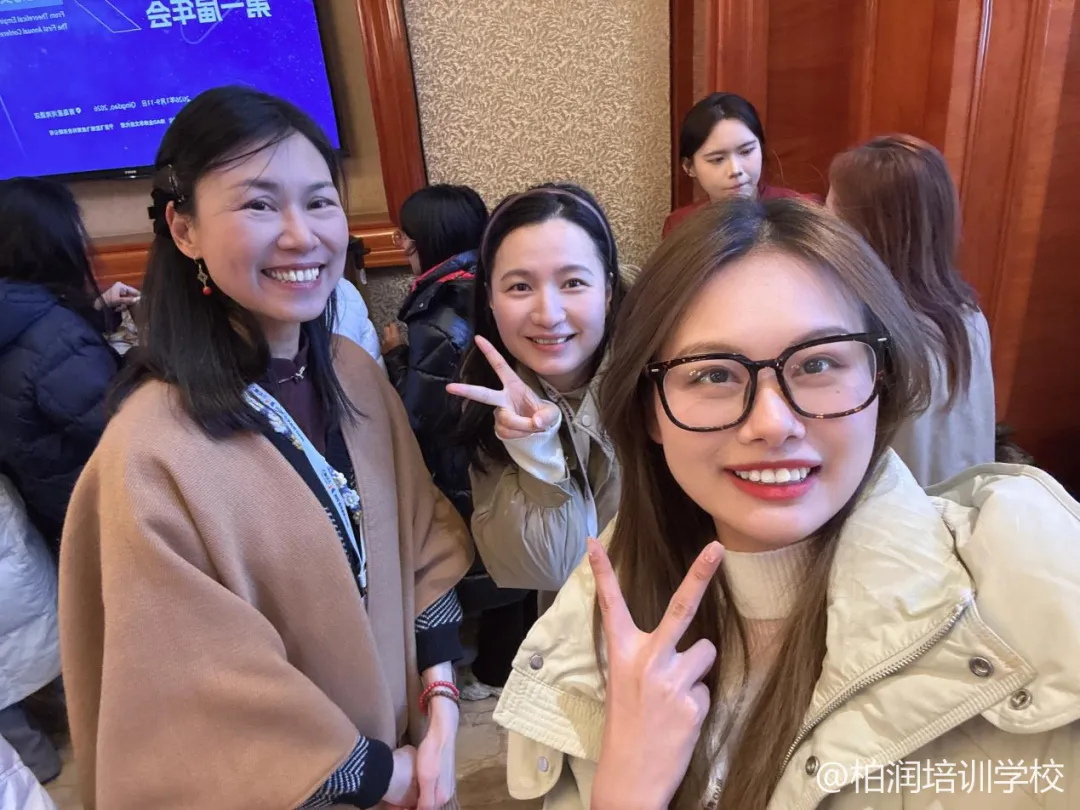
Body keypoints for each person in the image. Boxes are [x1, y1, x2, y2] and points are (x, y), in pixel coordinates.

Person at [493, 197, 1080, 809]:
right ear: (649, 411)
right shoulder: (593, 622)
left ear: (881, 378)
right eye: (714, 374)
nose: (773, 424)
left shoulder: (1031, 588)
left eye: (818, 363)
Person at [59, 86, 472, 810]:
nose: (301, 235)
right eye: (258, 205)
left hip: (408, 758)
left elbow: (422, 545)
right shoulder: (148, 453)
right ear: (184, 228)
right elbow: (196, 697)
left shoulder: (353, 372)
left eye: (320, 202)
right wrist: (385, 777)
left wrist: (440, 702)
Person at [448, 183, 625, 612]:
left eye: (573, 283)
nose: (548, 315)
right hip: (576, 634)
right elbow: (546, 569)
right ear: (490, 298)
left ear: (607, 290)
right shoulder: (489, 398)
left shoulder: (666, 379)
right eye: (520, 287)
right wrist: (537, 454)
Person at [827, 134, 995, 485]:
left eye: (832, 212)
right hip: (968, 505)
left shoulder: (868, 335)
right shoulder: (968, 315)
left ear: (869, 231)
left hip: (900, 513)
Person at [0, 177, 125, 551]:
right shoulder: (58, 337)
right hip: (95, 514)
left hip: (46, 507)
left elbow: (35, 358)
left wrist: (96, 313)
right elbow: (120, 428)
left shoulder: (18, 313)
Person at [662, 92, 816, 239]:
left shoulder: (803, 212)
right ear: (689, 167)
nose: (735, 170)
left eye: (746, 151)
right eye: (717, 159)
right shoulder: (680, 225)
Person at [0, 476, 62, 786]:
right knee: (59, 653)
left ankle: (39, 762)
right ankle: (100, 727)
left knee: (3, 701)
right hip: (16, 581)